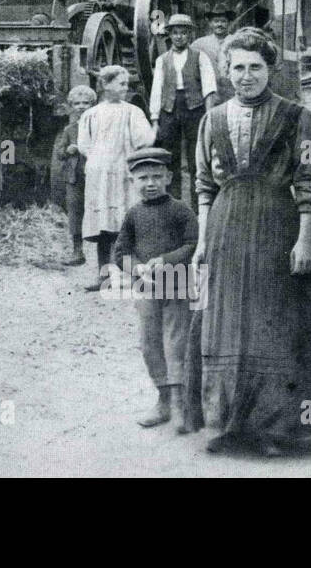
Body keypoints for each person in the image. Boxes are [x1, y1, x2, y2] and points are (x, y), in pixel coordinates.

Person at [193, 27, 311, 456]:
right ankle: (224, 424)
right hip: (225, 227)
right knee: (224, 323)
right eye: (237, 67)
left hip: (278, 227)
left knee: (273, 324)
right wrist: (204, 241)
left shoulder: (298, 118)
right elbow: (204, 185)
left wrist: (305, 241)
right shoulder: (212, 119)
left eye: (255, 67)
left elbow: (310, 181)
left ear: (270, 69)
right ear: (226, 71)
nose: (245, 76)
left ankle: (274, 428)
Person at [112, 147, 198, 432]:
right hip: (146, 288)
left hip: (176, 283)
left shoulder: (181, 210)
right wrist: (135, 268)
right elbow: (120, 252)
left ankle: (180, 404)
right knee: (150, 342)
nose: (150, 183)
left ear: (169, 177)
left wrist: (167, 259)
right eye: (143, 178)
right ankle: (162, 399)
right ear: (132, 181)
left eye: (156, 177)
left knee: (176, 341)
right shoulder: (133, 214)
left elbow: (192, 243)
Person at [77, 64, 155, 291]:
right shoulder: (91, 114)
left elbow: (145, 139)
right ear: (105, 85)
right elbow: (84, 145)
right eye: (121, 84)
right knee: (103, 226)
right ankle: (104, 275)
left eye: (126, 84)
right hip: (99, 173)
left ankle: (131, 275)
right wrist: (99, 159)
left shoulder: (132, 111)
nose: (125, 88)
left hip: (123, 172)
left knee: (124, 223)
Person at [148, 14, 218, 203]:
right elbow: (156, 90)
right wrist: (155, 120)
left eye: (183, 33)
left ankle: (199, 203)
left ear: (189, 35)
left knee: (197, 155)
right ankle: (173, 200)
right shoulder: (162, 60)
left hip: (195, 109)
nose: (179, 37)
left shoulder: (200, 56)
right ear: (170, 35)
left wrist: (208, 115)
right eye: (175, 33)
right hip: (169, 110)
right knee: (169, 156)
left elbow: (209, 87)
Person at [51, 85, 97, 267]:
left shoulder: (98, 126)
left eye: (85, 103)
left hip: (93, 174)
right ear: (71, 106)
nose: (81, 107)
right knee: (75, 212)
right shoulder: (70, 129)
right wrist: (68, 150)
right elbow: (59, 153)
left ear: (93, 104)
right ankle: (77, 251)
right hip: (74, 176)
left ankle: (105, 253)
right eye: (76, 103)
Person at [191, 8, 235, 104]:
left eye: (223, 21)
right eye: (216, 21)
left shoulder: (236, 41)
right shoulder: (200, 43)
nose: (219, 24)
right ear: (210, 23)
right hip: (210, 91)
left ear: (229, 23)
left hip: (232, 90)